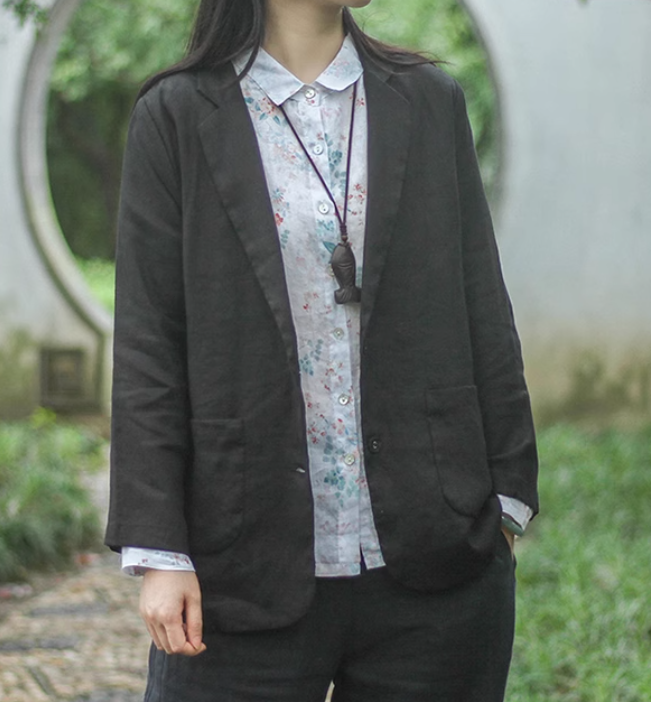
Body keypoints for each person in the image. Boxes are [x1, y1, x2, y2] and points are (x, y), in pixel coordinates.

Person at [106, 0, 539, 700]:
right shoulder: (176, 115)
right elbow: (149, 346)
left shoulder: (428, 101)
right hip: (239, 561)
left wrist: (508, 500)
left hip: (434, 560)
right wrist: (160, 551)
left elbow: (482, 305)